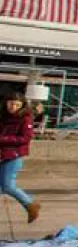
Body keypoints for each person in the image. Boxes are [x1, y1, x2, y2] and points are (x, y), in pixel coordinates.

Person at [0, 92, 39, 223]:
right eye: (11, 103)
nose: (13, 107)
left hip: (13, 156)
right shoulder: (3, 116)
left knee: (8, 187)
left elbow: (25, 138)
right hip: (2, 154)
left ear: (22, 105)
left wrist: (3, 139)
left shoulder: (25, 118)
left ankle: (30, 205)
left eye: (17, 104)